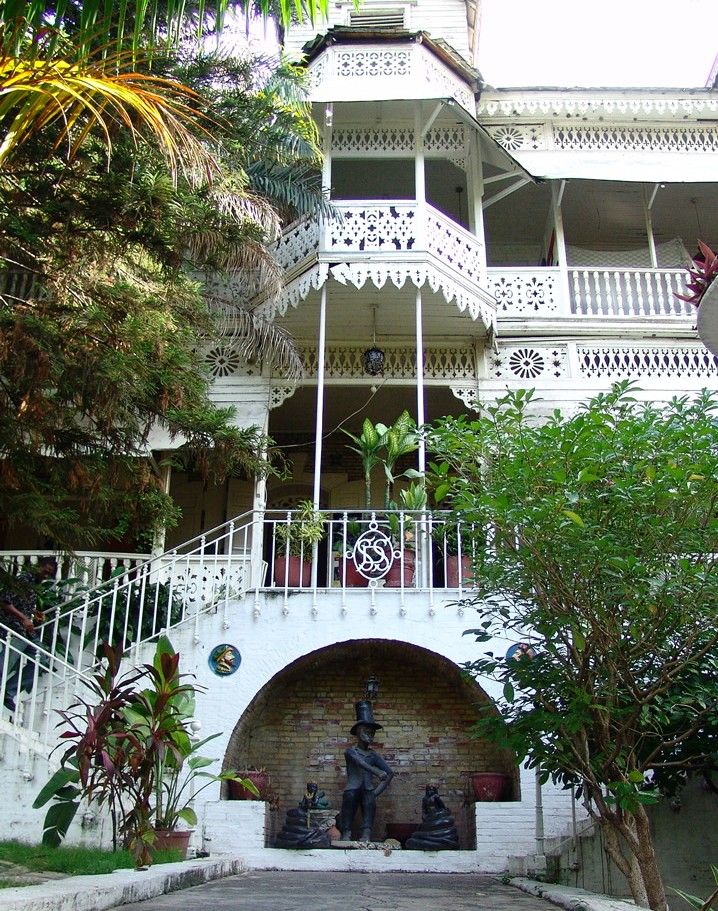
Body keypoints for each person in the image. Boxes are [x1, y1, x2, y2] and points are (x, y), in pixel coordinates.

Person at [0, 556, 57, 713]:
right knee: (6, 662)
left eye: (49, 574)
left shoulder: (34, 584)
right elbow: (5, 601)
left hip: (25, 631)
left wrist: (34, 612)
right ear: (39, 566)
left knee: (41, 659)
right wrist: (23, 618)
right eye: (46, 571)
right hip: (13, 628)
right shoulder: (23, 579)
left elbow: (21, 602)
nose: (46, 575)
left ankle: (9, 691)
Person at [339, 700, 394, 841]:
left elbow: (389, 773)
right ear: (358, 731)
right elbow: (360, 763)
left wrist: (376, 792)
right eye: (366, 730)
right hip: (352, 788)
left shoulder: (373, 755)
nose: (370, 734)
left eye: (372, 732)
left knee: (369, 805)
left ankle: (366, 835)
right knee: (349, 805)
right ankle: (346, 833)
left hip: (368, 789)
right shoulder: (351, 751)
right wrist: (377, 772)